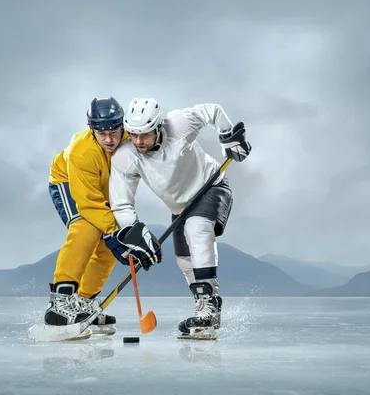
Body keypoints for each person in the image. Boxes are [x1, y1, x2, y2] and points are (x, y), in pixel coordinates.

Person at [108, 98, 252, 337]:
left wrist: (228, 135)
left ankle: (209, 306)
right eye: (133, 134)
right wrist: (134, 230)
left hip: (210, 186)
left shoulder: (178, 123)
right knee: (184, 259)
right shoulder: (125, 157)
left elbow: (212, 111)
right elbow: (121, 203)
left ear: (158, 126)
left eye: (144, 134)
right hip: (180, 206)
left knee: (197, 228)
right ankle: (204, 305)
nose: (139, 141)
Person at [45, 96, 129, 336]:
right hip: (69, 183)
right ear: (92, 129)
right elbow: (88, 205)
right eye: (101, 133)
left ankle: (82, 303)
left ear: (122, 125)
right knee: (87, 227)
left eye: (114, 131)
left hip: (103, 186)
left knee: (112, 245)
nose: (109, 139)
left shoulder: (132, 140)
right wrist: (114, 228)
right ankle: (60, 304)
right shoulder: (81, 152)